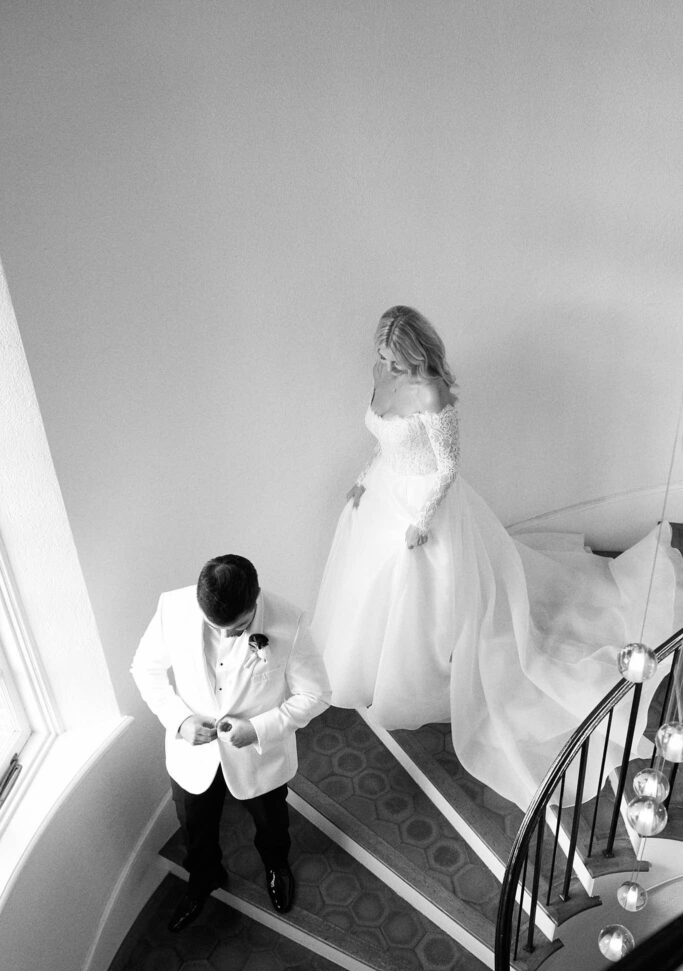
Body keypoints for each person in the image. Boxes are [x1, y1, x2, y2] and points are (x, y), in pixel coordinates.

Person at [312, 305, 683, 810]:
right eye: (382, 355)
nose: (385, 365)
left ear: (416, 353)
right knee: (371, 592)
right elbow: (382, 439)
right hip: (382, 495)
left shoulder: (432, 393)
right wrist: (361, 479)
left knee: (426, 600)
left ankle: (432, 676)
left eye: (395, 358)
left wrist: (421, 522)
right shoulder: (381, 375)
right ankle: (374, 669)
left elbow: (447, 468)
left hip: (426, 507)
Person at [131, 554, 331, 931]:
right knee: (194, 825)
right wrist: (180, 720)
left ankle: (276, 866)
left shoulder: (291, 620)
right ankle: (204, 877)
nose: (226, 636)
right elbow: (145, 668)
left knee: (271, 823)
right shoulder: (172, 607)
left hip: (260, 755)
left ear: (255, 599)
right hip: (192, 753)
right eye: (215, 626)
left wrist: (259, 728)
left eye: (238, 627)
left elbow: (317, 694)